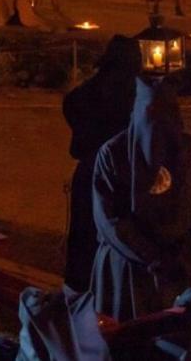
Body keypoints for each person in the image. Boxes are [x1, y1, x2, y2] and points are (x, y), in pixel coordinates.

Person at [91, 78, 191, 322]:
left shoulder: (189, 151)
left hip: (181, 265)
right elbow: (110, 220)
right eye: (152, 115)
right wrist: (153, 257)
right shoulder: (113, 154)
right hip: (127, 270)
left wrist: (179, 255)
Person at [60, 35, 140, 292]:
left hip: (91, 169)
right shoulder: (132, 89)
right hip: (119, 173)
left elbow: (71, 102)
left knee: (86, 230)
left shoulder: (97, 86)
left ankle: (81, 285)